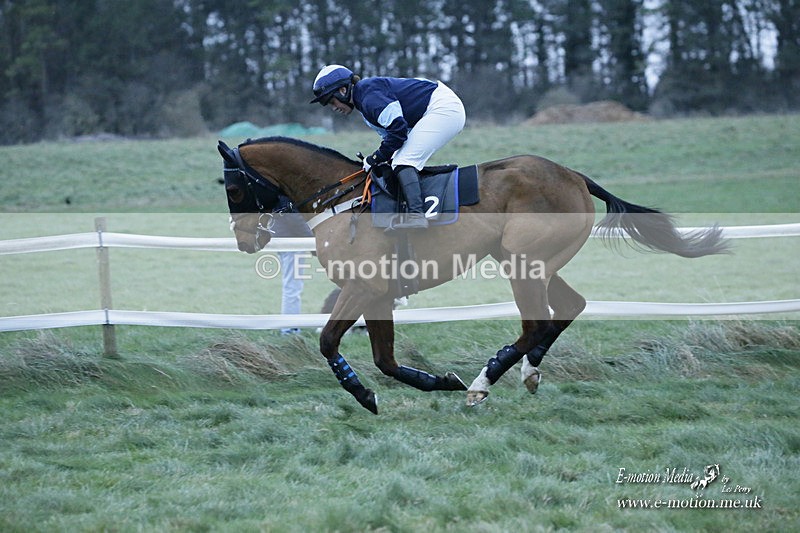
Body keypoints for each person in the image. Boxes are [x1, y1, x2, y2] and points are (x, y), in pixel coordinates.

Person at [310, 64, 466, 230]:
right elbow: (393, 138)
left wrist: (375, 158)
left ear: (342, 90)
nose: (334, 108)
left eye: (332, 101)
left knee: (404, 162)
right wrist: (380, 158)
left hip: (444, 108)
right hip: (437, 107)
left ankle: (416, 216)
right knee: (397, 162)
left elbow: (398, 132)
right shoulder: (364, 98)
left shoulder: (369, 97)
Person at [271, 211, 312, 335]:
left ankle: (290, 328)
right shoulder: (285, 197)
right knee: (292, 287)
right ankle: (289, 329)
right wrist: (313, 241)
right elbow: (294, 218)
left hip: (285, 238)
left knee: (292, 286)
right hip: (291, 240)